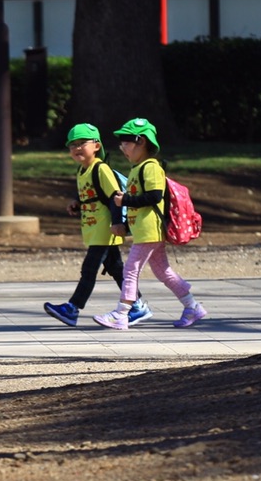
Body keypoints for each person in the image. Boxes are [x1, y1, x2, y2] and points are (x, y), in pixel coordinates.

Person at [93, 117, 207, 330]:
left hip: (150, 230)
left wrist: (124, 200)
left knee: (130, 269)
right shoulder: (138, 168)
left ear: (141, 141)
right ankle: (192, 306)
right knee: (163, 271)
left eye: (126, 142)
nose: (122, 147)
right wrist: (125, 225)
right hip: (144, 230)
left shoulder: (150, 167)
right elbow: (140, 204)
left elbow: (155, 197)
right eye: (121, 143)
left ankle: (121, 313)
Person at [43, 122, 151, 327]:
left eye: (82, 143)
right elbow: (89, 193)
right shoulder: (82, 170)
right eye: (72, 145)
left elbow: (115, 197)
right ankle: (137, 305)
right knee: (116, 268)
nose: (76, 148)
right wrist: (77, 203)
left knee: (90, 268)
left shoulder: (101, 169)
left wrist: (118, 223)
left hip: (105, 227)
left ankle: (72, 308)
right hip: (93, 228)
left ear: (96, 146)